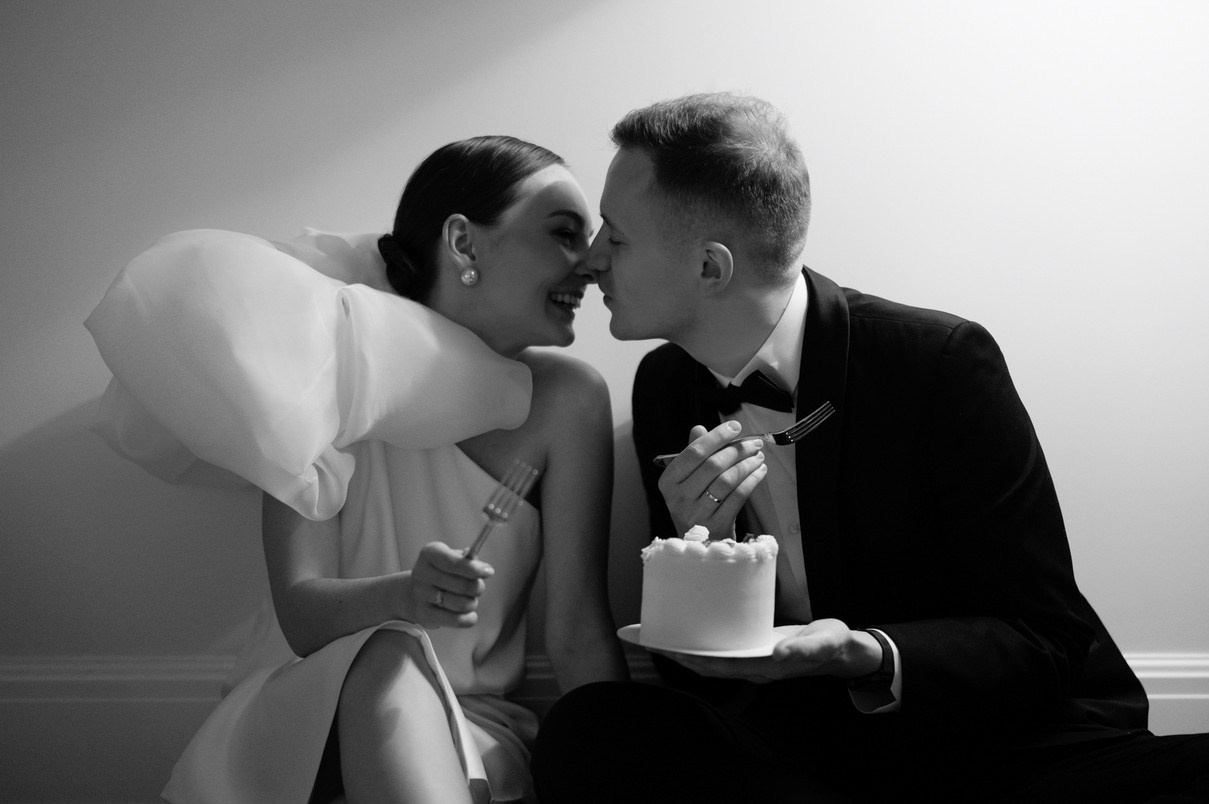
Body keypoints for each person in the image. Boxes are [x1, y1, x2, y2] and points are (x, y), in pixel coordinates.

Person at [530, 93, 1209, 803]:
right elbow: (696, 669)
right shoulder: (665, 385)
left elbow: (1044, 636)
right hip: (812, 754)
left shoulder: (936, 361)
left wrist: (865, 653)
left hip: (998, 745)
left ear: (710, 268)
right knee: (594, 727)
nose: (591, 260)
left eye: (615, 234)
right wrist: (705, 561)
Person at [85, 135, 628, 803]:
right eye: (563, 234)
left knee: (398, 670)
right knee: (389, 655)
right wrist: (404, 598)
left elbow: (576, 632)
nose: (590, 265)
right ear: (464, 244)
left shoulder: (569, 401)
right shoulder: (318, 372)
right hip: (304, 709)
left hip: (469, 725)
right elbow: (302, 614)